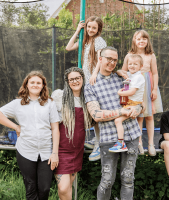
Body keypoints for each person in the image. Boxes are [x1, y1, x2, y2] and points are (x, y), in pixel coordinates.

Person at [84, 46, 144, 200]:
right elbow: (96, 115)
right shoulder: (91, 84)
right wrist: (120, 112)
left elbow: (139, 101)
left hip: (131, 135)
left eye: (115, 60)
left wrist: (139, 108)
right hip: (109, 138)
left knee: (128, 179)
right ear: (100, 59)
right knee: (107, 181)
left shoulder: (123, 78)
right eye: (109, 59)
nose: (112, 62)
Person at [0, 71, 60, 200]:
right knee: (30, 187)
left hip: (46, 152)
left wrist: (55, 153)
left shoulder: (50, 103)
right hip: (25, 150)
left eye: (38, 83)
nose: (35, 85)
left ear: (43, 86)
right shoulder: (17, 104)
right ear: (26, 84)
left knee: (45, 188)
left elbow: (55, 128)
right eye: (32, 82)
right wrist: (15, 126)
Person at [66, 16, 107, 161]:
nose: (90, 30)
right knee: (90, 112)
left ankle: (99, 144)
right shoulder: (85, 40)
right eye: (89, 27)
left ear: (98, 29)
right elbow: (68, 47)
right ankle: (96, 140)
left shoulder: (99, 41)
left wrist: (94, 75)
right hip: (87, 81)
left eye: (94, 28)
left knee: (96, 112)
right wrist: (78, 30)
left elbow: (101, 59)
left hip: (94, 80)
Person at [51, 67, 92, 200]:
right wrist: (54, 152)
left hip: (77, 150)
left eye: (77, 78)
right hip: (61, 149)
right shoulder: (59, 96)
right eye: (71, 79)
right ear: (67, 82)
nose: (74, 81)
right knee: (63, 188)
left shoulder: (87, 98)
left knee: (68, 187)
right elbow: (52, 123)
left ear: (82, 79)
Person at [122, 30, 163, 156]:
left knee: (149, 116)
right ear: (134, 40)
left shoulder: (150, 55)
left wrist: (154, 89)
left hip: (149, 86)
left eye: (144, 39)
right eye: (139, 39)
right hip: (136, 88)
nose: (141, 41)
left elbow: (155, 73)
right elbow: (124, 71)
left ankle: (151, 144)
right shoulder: (129, 55)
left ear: (147, 41)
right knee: (139, 116)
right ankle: (138, 143)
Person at [109, 54, 145, 153]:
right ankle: (134, 143)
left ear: (141, 66)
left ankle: (121, 143)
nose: (132, 66)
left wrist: (120, 93)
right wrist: (121, 72)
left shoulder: (139, 77)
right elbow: (120, 71)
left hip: (134, 105)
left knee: (118, 121)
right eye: (130, 64)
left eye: (135, 64)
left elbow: (132, 92)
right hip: (128, 103)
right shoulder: (130, 74)